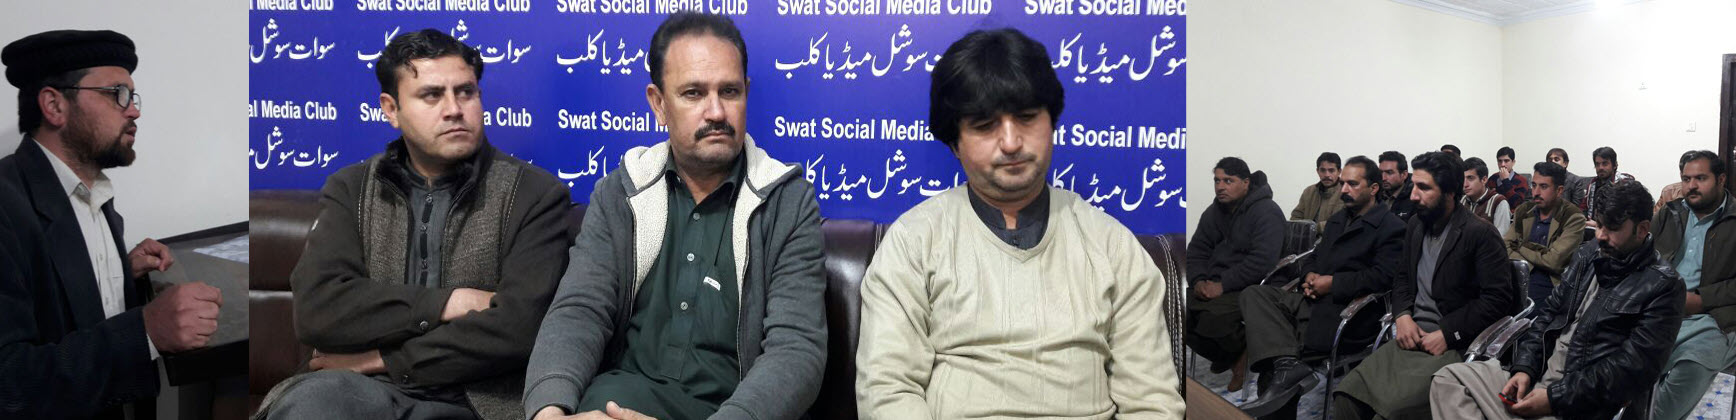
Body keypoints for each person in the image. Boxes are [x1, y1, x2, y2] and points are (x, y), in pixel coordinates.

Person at [853, 27, 1182, 419]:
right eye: (984, 125)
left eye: (1026, 118)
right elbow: (888, 391)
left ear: (1052, 124)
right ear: (954, 143)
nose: (1011, 143)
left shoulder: (1112, 246)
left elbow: (1152, 402)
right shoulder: (914, 241)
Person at [522, 12, 828, 420]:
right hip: (619, 405)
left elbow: (796, 351)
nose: (716, 111)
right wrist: (549, 413)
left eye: (730, 91)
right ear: (659, 104)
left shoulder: (787, 202)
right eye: (694, 93)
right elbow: (580, 310)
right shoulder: (621, 192)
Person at [258, 29, 574, 420]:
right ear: (391, 109)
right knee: (312, 405)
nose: (454, 109)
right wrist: (448, 303)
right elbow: (318, 310)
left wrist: (380, 358)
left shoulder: (533, 195)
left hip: (475, 400)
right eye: (431, 95)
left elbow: (519, 328)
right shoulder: (352, 190)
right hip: (357, 393)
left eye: (466, 92)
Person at [0, 29, 220, 420]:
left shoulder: (95, 200)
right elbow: (10, 385)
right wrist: (146, 331)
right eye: (117, 93)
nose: (133, 111)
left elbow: (62, 309)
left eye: (132, 96)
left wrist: (119, 277)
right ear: (54, 105)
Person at [1430, 180, 1681, 420]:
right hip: (1539, 379)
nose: (1601, 236)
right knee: (1448, 379)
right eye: (1599, 225)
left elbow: (1631, 370)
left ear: (1642, 229)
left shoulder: (1663, 286)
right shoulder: (1590, 254)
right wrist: (1524, 369)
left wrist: (1554, 398)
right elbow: (1548, 315)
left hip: (1578, 404)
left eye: (1612, 229)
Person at [1332, 152, 1514, 420]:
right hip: (1410, 336)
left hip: (1450, 345)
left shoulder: (1479, 233)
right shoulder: (1417, 224)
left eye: (1424, 188)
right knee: (1346, 396)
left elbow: (1497, 300)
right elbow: (1402, 277)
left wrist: (1448, 333)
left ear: (1449, 192)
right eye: (1414, 186)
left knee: (1391, 412)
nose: (1413, 195)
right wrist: (1403, 315)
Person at [1238, 155, 1404, 418]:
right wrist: (1310, 275)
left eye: (1352, 184)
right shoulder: (1338, 220)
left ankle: (1285, 366)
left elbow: (1382, 277)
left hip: (1348, 313)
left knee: (1273, 361)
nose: (1344, 189)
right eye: (1343, 183)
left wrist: (1333, 284)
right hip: (1313, 300)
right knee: (1254, 294)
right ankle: (1287, 365)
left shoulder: (1391, 227)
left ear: (1373, 188)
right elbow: (1314, 255)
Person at [1649, 150, 1736, 420]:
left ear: (1721, 179)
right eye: (1686, 179)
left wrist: (1702, 298)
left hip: (1711, 317)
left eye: (1701, 178)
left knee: (1691, 367)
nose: (1691, 186)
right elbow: (1643, 256)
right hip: (1659, 309)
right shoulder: (1669, 213)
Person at [1187, 156, 1285, 390]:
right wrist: (1198, 280)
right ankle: (1230, 356)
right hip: (1215, 282)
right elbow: (1197, 250)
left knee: (1213, 317)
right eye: (1217, 180)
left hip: (1253, 286)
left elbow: (1262, 262)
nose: (1220, 186)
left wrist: (1222, 285)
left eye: (1228, 181)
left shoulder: (1267, 212)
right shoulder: (1214, 212)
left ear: (1246, 183)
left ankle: (1239, 354)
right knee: (1178, 311)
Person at [1579, 146, 1635, 225]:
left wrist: (1598, 225)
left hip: (1613, 228)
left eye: (1605, 164)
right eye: (1597, 164)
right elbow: (1583, 208)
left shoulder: (1625, 182)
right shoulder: (1592, 184)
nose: (1600, 168)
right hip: (1590, 226)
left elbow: (1626, 215)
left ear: (1615, 165)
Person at [1292, 152, 1346, 232]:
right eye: (1323, 170)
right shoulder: (1309, 192)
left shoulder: (1347, 193)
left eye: (1331, 170)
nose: (1327, 175)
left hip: (1334, 238)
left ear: (1339, 171)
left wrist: (1316, 228)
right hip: (1307, 237)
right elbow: (1296, 218)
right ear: (1317, 171)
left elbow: (1344, 222)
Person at [1462, 157, 1513, 236]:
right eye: (1463, 179)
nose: (1465, 184)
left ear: (1484, 180)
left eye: (1470, 178)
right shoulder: (1461, 201)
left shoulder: (1499, 202)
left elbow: (1501, 239)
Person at [1378, 151, 1417, 221]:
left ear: (1404, 175)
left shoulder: (1415, 197)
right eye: (1380, 172)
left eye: (1389, 173)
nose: (1383, 178)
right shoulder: (1375, 194)